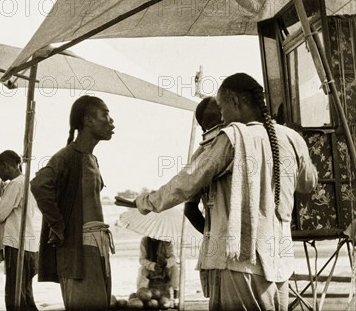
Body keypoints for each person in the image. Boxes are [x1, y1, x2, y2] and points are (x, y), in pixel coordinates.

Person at [135, 73, 318, 311]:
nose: (222, 116)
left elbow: (186, 183)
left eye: (222, 108)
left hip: (240, 265)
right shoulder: (292, 138)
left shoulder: (232, 138)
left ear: (235, 101)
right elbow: (308, 184)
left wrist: (147, 201)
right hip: (279, 265)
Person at [30, 95, 116, 311]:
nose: (111, 121)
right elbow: (40, 185)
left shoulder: (91, 158)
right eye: (105, 114)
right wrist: (58, 226)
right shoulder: (66, 157)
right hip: (80, 247)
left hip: (98, 246)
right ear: (88, 120)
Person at [0, 150, 38, 311]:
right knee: (25, 295)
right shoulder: (22, 182)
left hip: (18, 246)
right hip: (29, 247)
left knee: (14, 296)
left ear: (6, 166)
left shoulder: (16, 184)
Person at [183, 96, 223, 234]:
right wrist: (211, 235)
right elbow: (190, 208)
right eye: (214, 118)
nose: (221, 120)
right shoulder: (199, 157)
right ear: (204, 127)